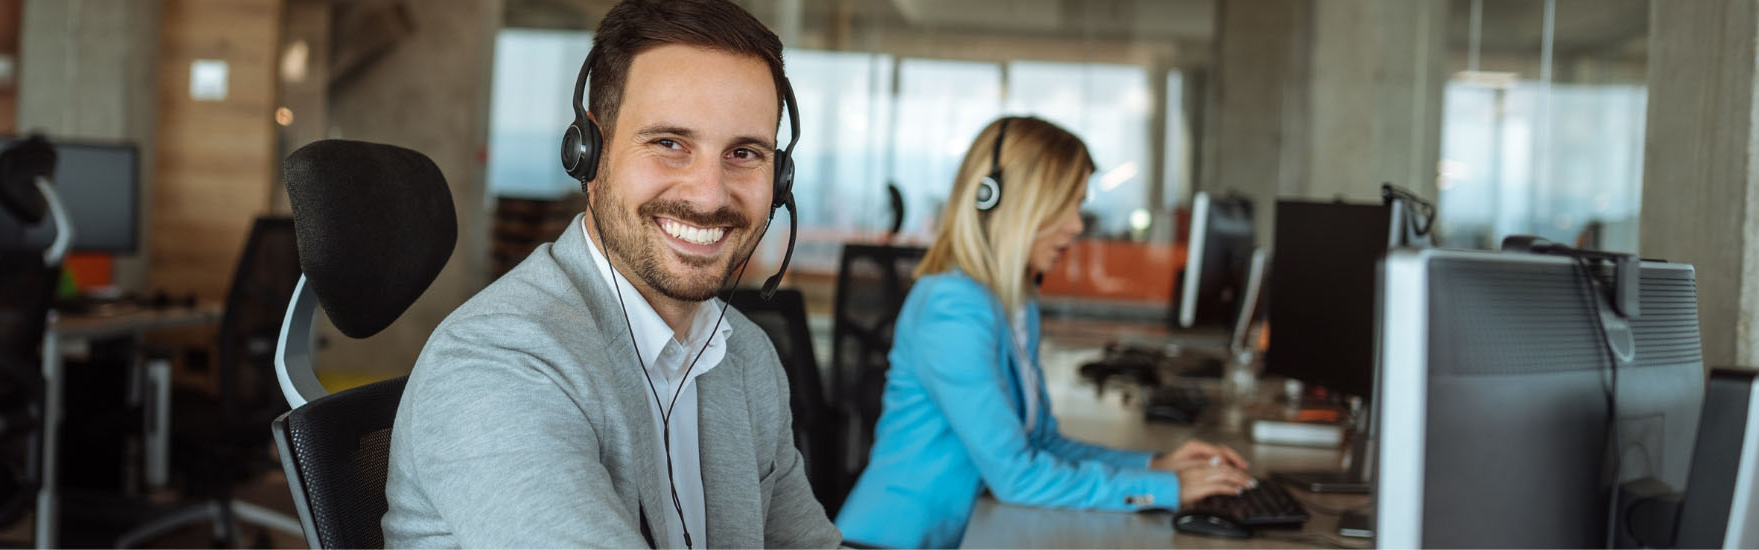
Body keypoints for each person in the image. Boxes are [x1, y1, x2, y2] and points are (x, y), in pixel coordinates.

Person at [382, 1, 839, 547]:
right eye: (670, 144)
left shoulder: (745, 356)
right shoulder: (496, 362)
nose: (710, 194)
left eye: (744, 153)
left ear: (780, 179)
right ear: (589, 154)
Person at [834, 117, 1256, 548]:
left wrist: (1157, 466)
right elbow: (1017, 477)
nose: (1077, 226)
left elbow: (1041, 444)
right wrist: (1168, 491)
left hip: (962, 533)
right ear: (1012, 204)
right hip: (895, 541)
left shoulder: (1015, 302)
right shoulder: (951, 309)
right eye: (1066, 205)